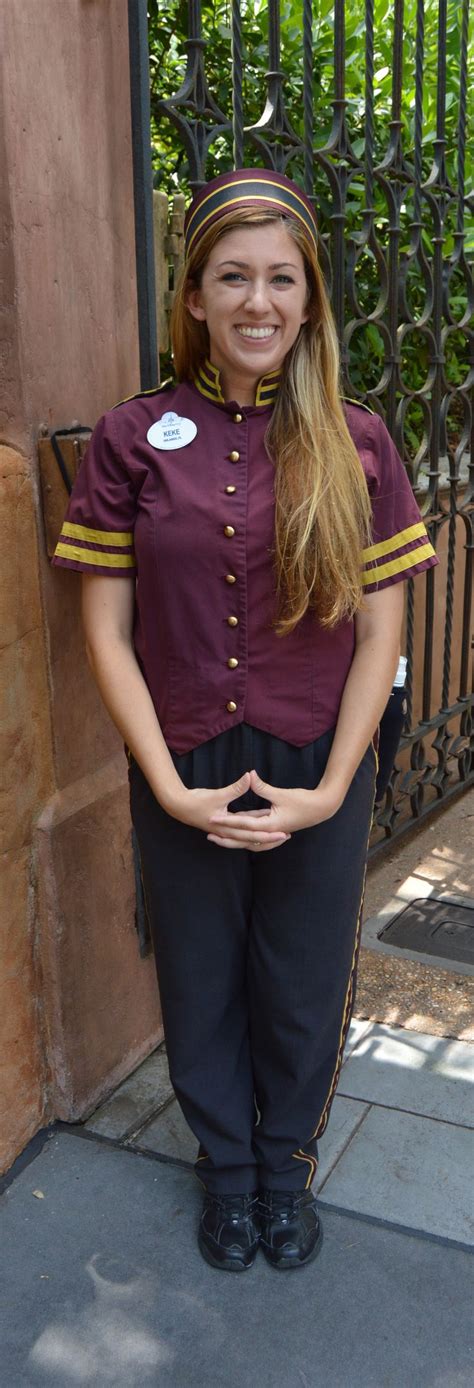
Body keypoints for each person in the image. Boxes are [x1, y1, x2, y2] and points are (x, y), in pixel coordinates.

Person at [53, 168, 437, 1273]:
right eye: (233, 276)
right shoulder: (134, 437)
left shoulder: (360, 442)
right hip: (183, 758)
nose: (257, 301)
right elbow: (107, 630)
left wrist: (331, 786)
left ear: (309, 299)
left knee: (304, 973)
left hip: (321, 753)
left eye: (280, 278)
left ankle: (285, 1168)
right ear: (195, 297)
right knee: (202, 971)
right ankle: (226, 1173)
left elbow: (380, 637)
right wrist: (167, 783)